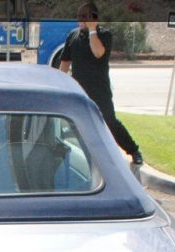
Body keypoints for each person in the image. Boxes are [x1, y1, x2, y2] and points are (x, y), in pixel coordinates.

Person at [59, 2, 143, 165]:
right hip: (78, 91)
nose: (81, 20)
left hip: (100, 90)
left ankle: (133, 150)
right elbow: (65, 63)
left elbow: (98, 53)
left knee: (110, 121)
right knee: (77, 123)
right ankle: (89, 156)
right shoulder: (72, 36)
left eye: (85, 16)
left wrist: (92, 30)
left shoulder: (104, 35)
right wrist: (59, 83)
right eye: (80, 16)